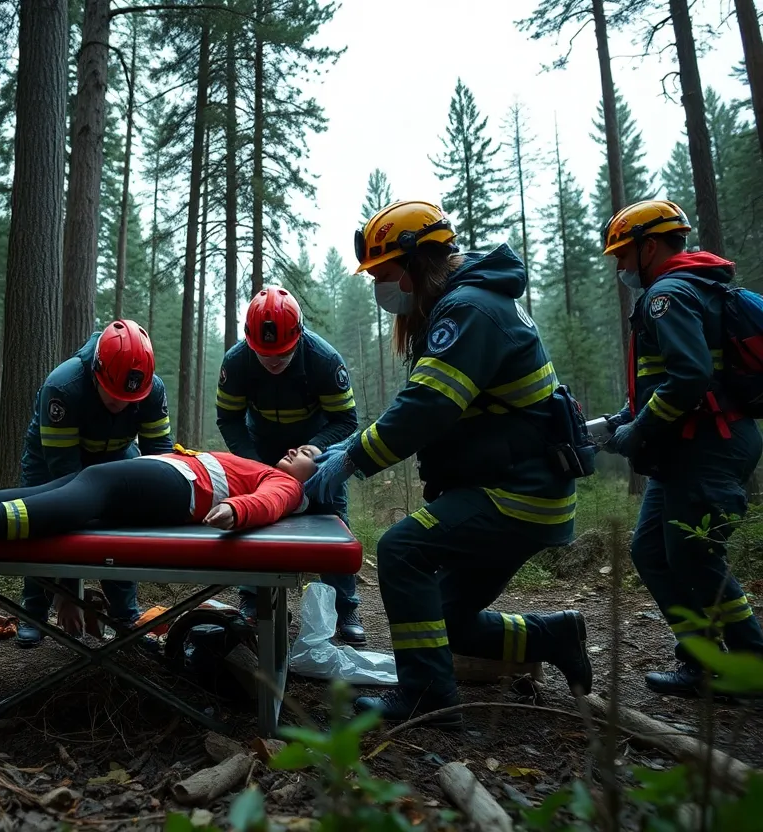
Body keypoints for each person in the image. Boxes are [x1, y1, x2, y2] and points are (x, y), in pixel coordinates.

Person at [306, 200, 593, 728]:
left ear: (415, 262)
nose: (380, 288)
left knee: (402, 549)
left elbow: (429, 406)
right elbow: (429, 402)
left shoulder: (470, 310)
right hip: (514, 487)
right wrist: (348, 449)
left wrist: (352, 457)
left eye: (384, 274)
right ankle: (554, 634)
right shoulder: (464, 305)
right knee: (440, 619)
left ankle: (427, 697)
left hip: (518, 493)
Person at [599, 200, 763, 696]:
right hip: (690, 448)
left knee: (696, 556)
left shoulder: (667, 294)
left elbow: (690, 376)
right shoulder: (693, 288)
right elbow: (667, 377)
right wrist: (623, 420)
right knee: (652, 550)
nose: (621, 266)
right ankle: (701, 660)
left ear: (649, 247)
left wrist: (641, 429)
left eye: (622, 255)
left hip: (708, 446)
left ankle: (751, 667)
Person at [216, 288, 365, 644]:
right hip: (260, 443)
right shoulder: (236, 363)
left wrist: (317, 449)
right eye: (264, 353)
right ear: (249, 340)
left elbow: (346, 420)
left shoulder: (324, 360)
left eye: (282, 353)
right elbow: (229, 419)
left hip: (317, 444)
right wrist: (250, 462)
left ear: (298, 336)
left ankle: (345, 607)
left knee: (332, 516)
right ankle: (252, 598)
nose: (273, 361)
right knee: (256, 517)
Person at [15, 319, 174, 645]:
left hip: (115, 456)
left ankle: (125, 614)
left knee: (121, 526)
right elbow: (66, 481)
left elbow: (160, 458)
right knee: (45, 523)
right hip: (52, 464)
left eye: (130, 399)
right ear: (96, 373)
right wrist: (69, 591)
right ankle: (34, 610)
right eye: (114, 397)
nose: (122, 405)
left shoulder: (151, 390)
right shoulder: (63, 387)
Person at [0, 444, 319, 542]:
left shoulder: (289, 486)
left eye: (305, 454)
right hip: (170, 480)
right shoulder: (273, 471)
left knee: (95, 484)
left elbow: (268, 503)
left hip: (177, 485)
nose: (294, 450)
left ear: (311, 478)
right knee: (71, 487)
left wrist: (236, 509)